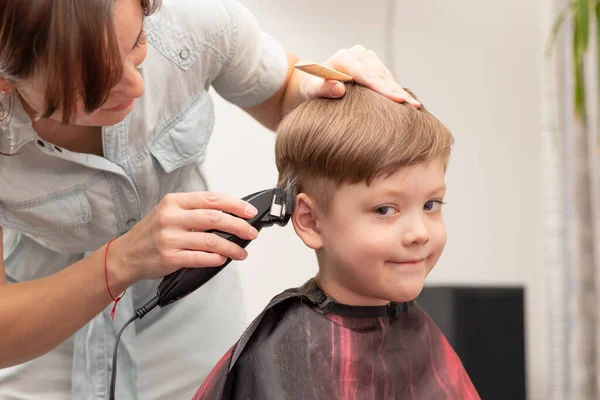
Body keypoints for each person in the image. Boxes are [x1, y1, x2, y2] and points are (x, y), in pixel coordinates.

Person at [0, 0, 420, 399]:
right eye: (93, 85)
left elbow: (285, 90)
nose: (137, 85)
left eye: (137, 44)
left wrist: (318, 89)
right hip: (42, 310)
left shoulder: (193, 23)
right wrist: (120, 261)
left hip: (188, 302)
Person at [191, 83, 480, 399]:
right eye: (385, 209)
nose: (419, 233)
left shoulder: (421, 335)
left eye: (431, 205)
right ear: (311, 222)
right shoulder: (282, 350)